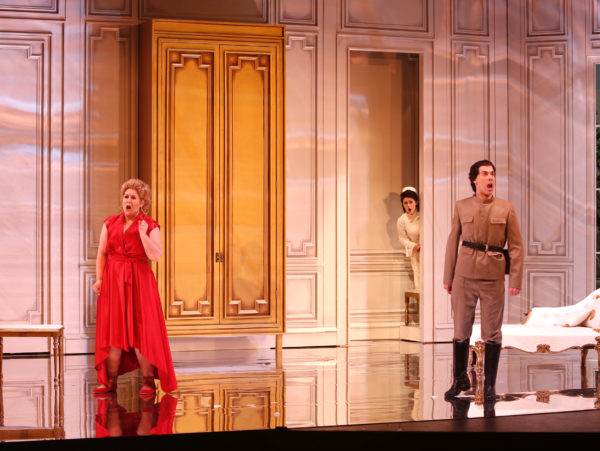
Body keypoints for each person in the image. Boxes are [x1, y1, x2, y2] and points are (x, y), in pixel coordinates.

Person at [443, 160, 523, 401]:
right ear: (474, 179)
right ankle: (459, 380)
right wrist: (448, 276)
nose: (491, 178)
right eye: (485, 174)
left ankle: (489, 385)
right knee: (460, 330)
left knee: (492, 332)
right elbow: (452, 242)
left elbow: (517, 247)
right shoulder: (462, 206)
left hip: (493, 277)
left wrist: (515, 279)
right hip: (464, 276)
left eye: (493, 174)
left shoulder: (506, 208)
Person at [92, 178, 177, 396]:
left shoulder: (149, 225)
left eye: (133, 198)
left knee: (142, 333)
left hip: (140, 281)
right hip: (114, 281)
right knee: (114, 333)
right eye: (126, 197)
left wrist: (142, 235)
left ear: (142, 203)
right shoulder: (110, 223)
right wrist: (99, 279)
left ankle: (148, 381)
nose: (128, 200)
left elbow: (156, 255)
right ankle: (109, 381)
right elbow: (102, 252)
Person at [397, 186, 421, 291]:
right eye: (405, 203)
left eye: (410, 202)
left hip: (428, 253)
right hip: (416, 253)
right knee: (419, 283)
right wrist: (413, 246)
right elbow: (402, 239)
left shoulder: (423, 216)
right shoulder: (402, 220)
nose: (408, 205)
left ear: (416, 202)